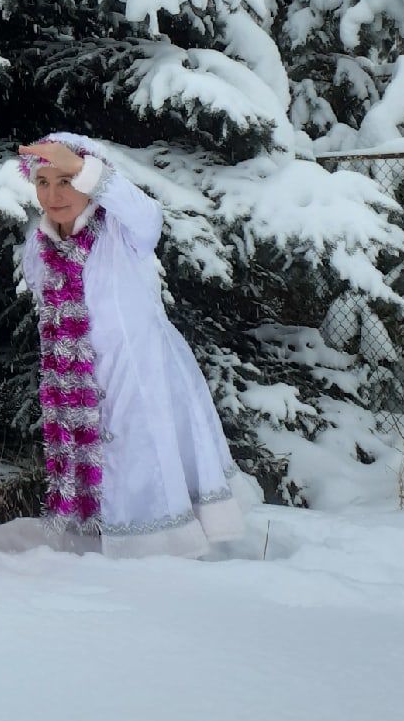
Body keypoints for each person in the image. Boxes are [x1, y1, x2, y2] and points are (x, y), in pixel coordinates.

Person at [18, 133, 244, 557]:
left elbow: (150, 214)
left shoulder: (123, 230)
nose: (54, 194)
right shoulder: (38, 247)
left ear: (89, 179)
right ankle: (98, 546)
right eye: (43, 182)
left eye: (66, 180)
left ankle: (159, 550)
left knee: (146, 461)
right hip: (76, 386)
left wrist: (84, 166)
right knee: (96, 470)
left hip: (140, 373)